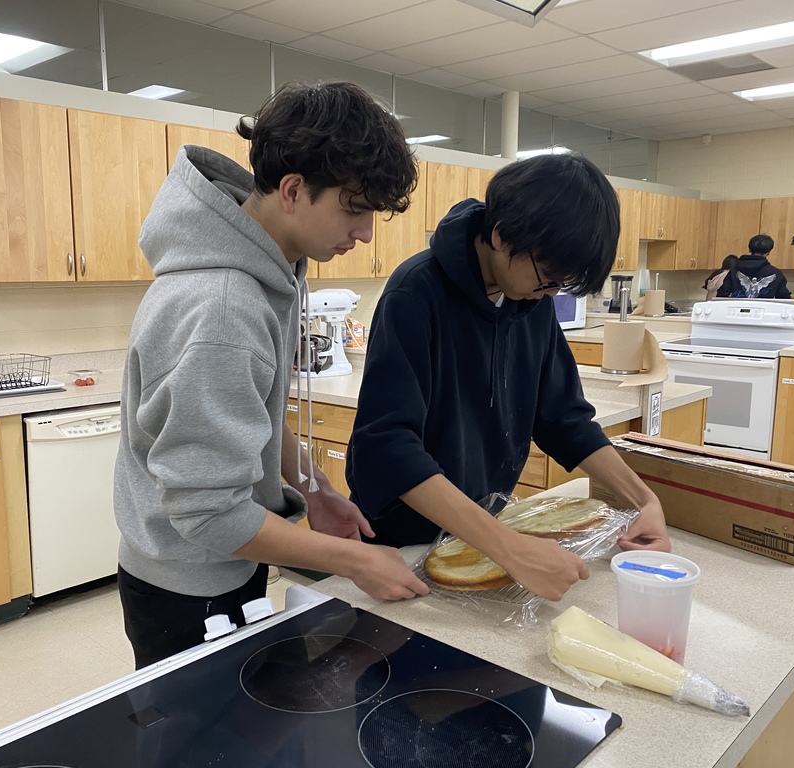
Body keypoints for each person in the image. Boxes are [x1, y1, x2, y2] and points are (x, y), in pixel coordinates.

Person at [115, 82, 428, 670]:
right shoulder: (225, 306)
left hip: (216, 561)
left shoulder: (265, 272)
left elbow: (255, 413)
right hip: (190, 582)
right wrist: (357, 562)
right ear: (292, 190)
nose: (364, 234)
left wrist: (315, 489)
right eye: (355, 209)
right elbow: (208, 512)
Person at [345, 154, 671, 604]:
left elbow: (563, 418)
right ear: (500, 236)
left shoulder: (529, 300)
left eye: (562, 283)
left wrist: (644, 501)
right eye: (547, 277)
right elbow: (388, 448)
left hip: (485, 534)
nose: (551, 293)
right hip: (402, 546)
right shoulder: (415, 294)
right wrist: (510, 548)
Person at [717, 234, 791, 299]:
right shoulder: (776, 274)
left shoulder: (734, 270)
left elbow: (721, 295)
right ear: (768, 252)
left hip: (737, 312)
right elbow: (784, 299)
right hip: (765, 312)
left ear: (749, 249)